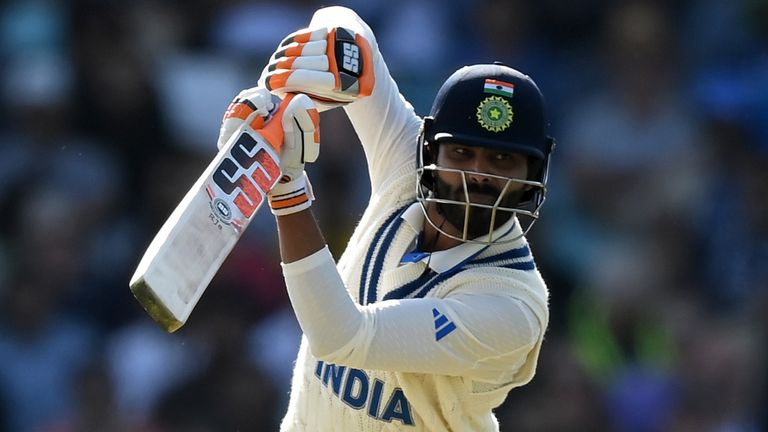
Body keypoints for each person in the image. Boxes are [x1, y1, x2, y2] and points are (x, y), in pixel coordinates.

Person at [216, 6, 555, 431]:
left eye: (503, 160)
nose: (478, 177)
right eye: (463, 153)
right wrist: (281, 108)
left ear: (532, 175)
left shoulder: (511, 306)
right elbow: (339, 19)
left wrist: (286, 187)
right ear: (429, 151)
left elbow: (340, 337)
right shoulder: (405, 161)